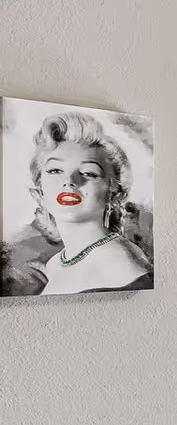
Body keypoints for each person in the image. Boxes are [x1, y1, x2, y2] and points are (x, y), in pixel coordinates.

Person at [25, 111, 153, 294]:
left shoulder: (121, 264)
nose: (69, 181)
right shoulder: (56, 263)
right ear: (40, 190)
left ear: (114, 193)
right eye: (55, 170)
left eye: (88, 173)